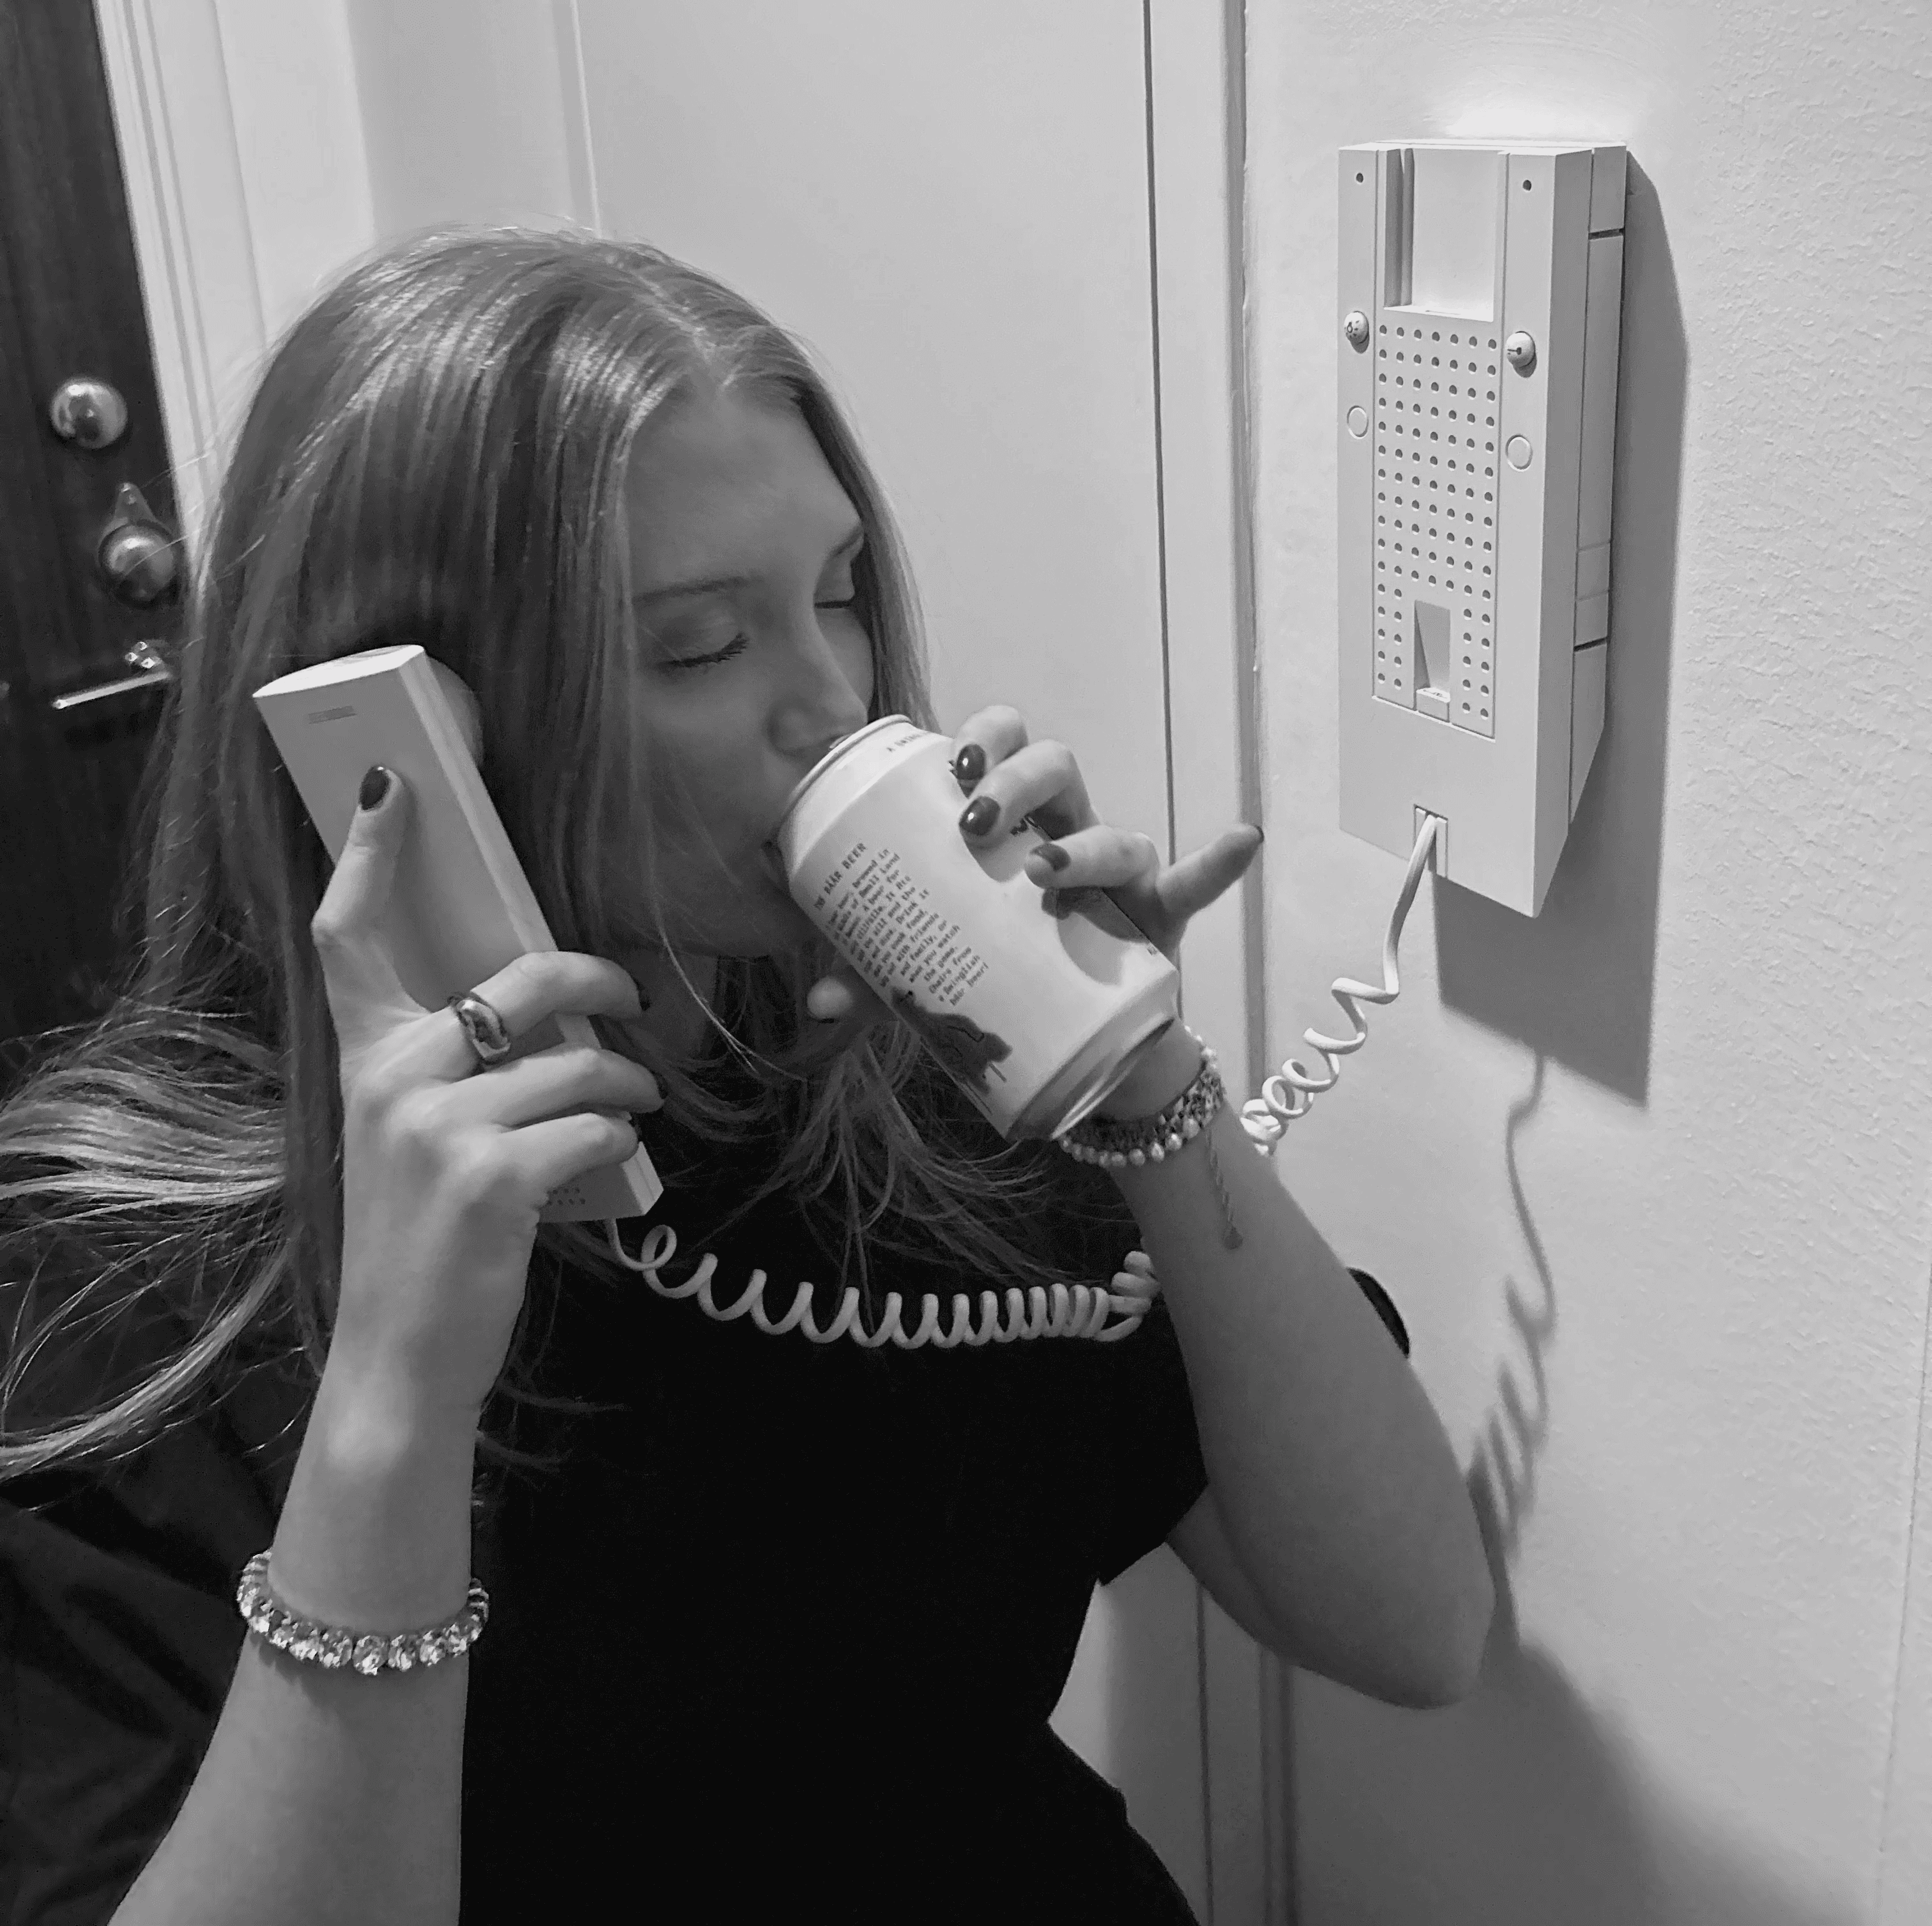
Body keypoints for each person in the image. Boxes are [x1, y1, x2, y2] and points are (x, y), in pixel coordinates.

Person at [0, 229, 1493, 1925]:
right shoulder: (116, 1290)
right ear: (409, 732)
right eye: (705, 643)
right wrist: (395, 1399)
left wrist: (1129, 1070)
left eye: (839, 593)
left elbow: (1412, 1627)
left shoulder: (900, 1090)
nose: (837, 699)